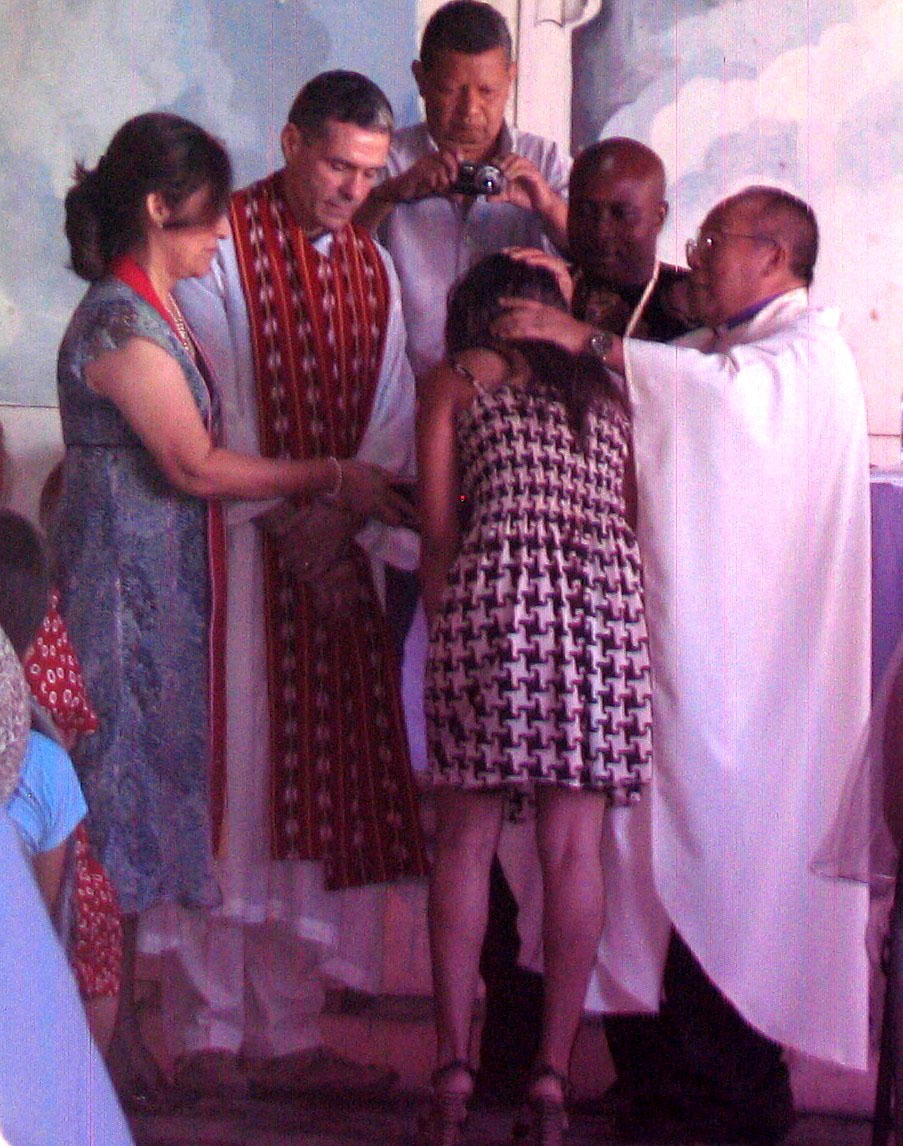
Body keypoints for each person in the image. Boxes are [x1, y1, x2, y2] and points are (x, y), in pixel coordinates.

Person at [494, 186, 871, 1142]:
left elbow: (713, 405)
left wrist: (584, 339)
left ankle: (728, 1097)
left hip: (758, 689)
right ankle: (662, 1080)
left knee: (731, 868)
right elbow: (664, 380)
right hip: (690, 664)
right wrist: (570, 321)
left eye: (712, 240)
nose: (695, 256)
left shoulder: (805, 357)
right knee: (650, 863)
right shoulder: (715, 350)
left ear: (773, 256)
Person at [54, 110, 409, 1107]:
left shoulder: (152, 311)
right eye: (208, 217)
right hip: (121, 602)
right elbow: (194, 463)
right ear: (156, 208)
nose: (223, 234)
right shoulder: (120, 321)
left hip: (161, 601)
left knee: (133, 815)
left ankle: (120, 1043)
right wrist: (328, 476)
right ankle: (93, 1052)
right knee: (109, 819)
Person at [166, 71, 428, 1097]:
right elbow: (208, 399)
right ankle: (204, 1033)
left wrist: (337, 531)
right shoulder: (221, 241)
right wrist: (293, 522)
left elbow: (392, 418)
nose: (352, 188)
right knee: (230, 795)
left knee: (309, 806)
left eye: (369, 171)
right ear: (288, 143)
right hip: (233, 564)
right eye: (335, 164)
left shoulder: (374, 268)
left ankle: (286, 1035)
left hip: (334, 574)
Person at [358, 0, 571, 1092]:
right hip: (398, 487)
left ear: (512, 86)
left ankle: (517, 1014)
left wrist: (547, 211)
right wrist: (393, 194)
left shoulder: (548, 167)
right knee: (424, 755)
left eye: (486, 90)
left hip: (519, 510)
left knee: (537, 792)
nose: (467, 110)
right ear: (419, 78)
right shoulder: (385, 165)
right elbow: (316, 258)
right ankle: (443, 1007)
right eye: (447, 88)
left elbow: (601, 300)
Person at [417, 252, 653, 1146]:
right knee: (572, 852)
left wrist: (449, 633)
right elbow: (628, 519)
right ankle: (552, 1077)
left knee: (463, 846)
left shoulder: (457, 380)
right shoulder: (609, 395)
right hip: (600, 615)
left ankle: (452, 1069)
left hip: (497, 601)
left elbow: (438, 531)